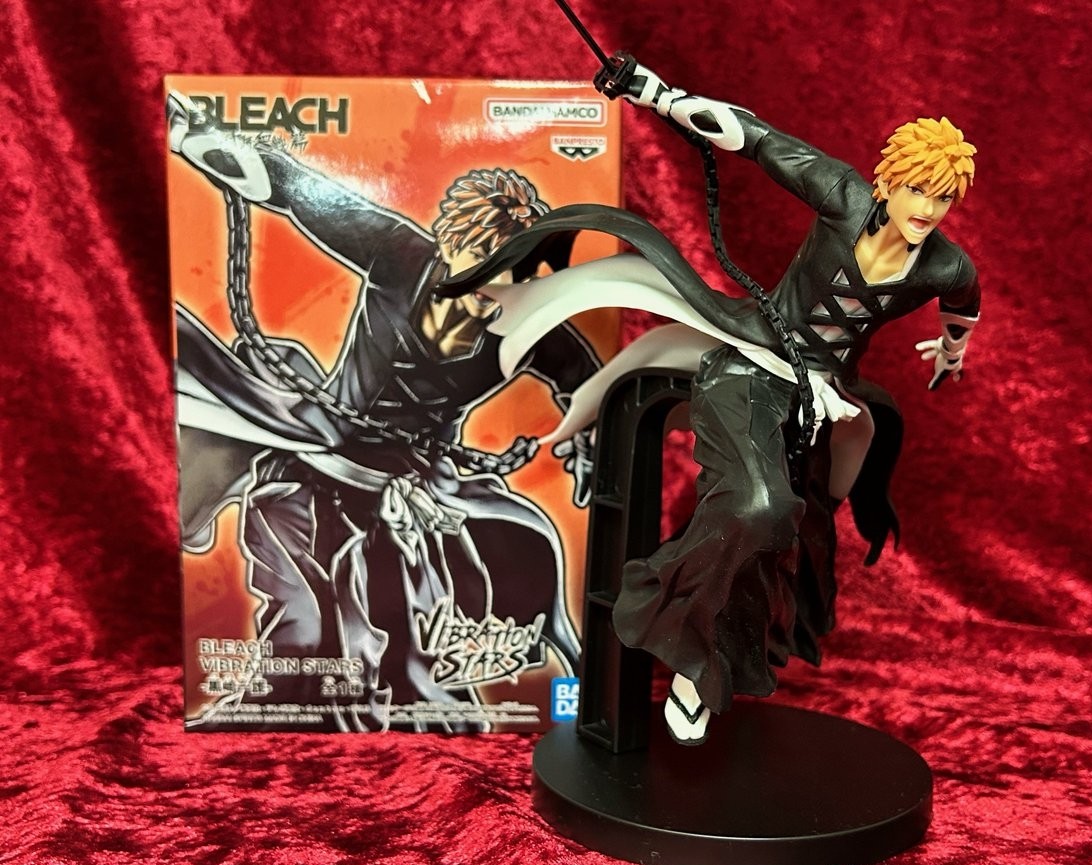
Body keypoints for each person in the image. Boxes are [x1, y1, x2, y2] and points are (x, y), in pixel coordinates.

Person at [439, 57, 980, 745]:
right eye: (916, 190)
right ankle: (688, 655)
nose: (926, 209)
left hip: (823, 400)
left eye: (942, 199)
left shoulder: (943, 263)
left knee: (796, 528)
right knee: (759, 506)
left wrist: (953, 350)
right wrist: (654, 92)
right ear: (888, 182)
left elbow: (964, 304)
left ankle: (729, 642)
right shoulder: (843, 197)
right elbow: (754, 138)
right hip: (752, 361)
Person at [168, 93, 597, 732]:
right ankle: (281, 703)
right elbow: (305, 195)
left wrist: (589, 432)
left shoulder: (530, 322)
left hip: (416, 489)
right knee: (299, 615)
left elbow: (585, 377)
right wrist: (208, 143)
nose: (491, 292)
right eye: (480, 266)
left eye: (511, 274)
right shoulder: (400, 255)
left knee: (421, 623)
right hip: (320, 457)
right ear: (453, 245)